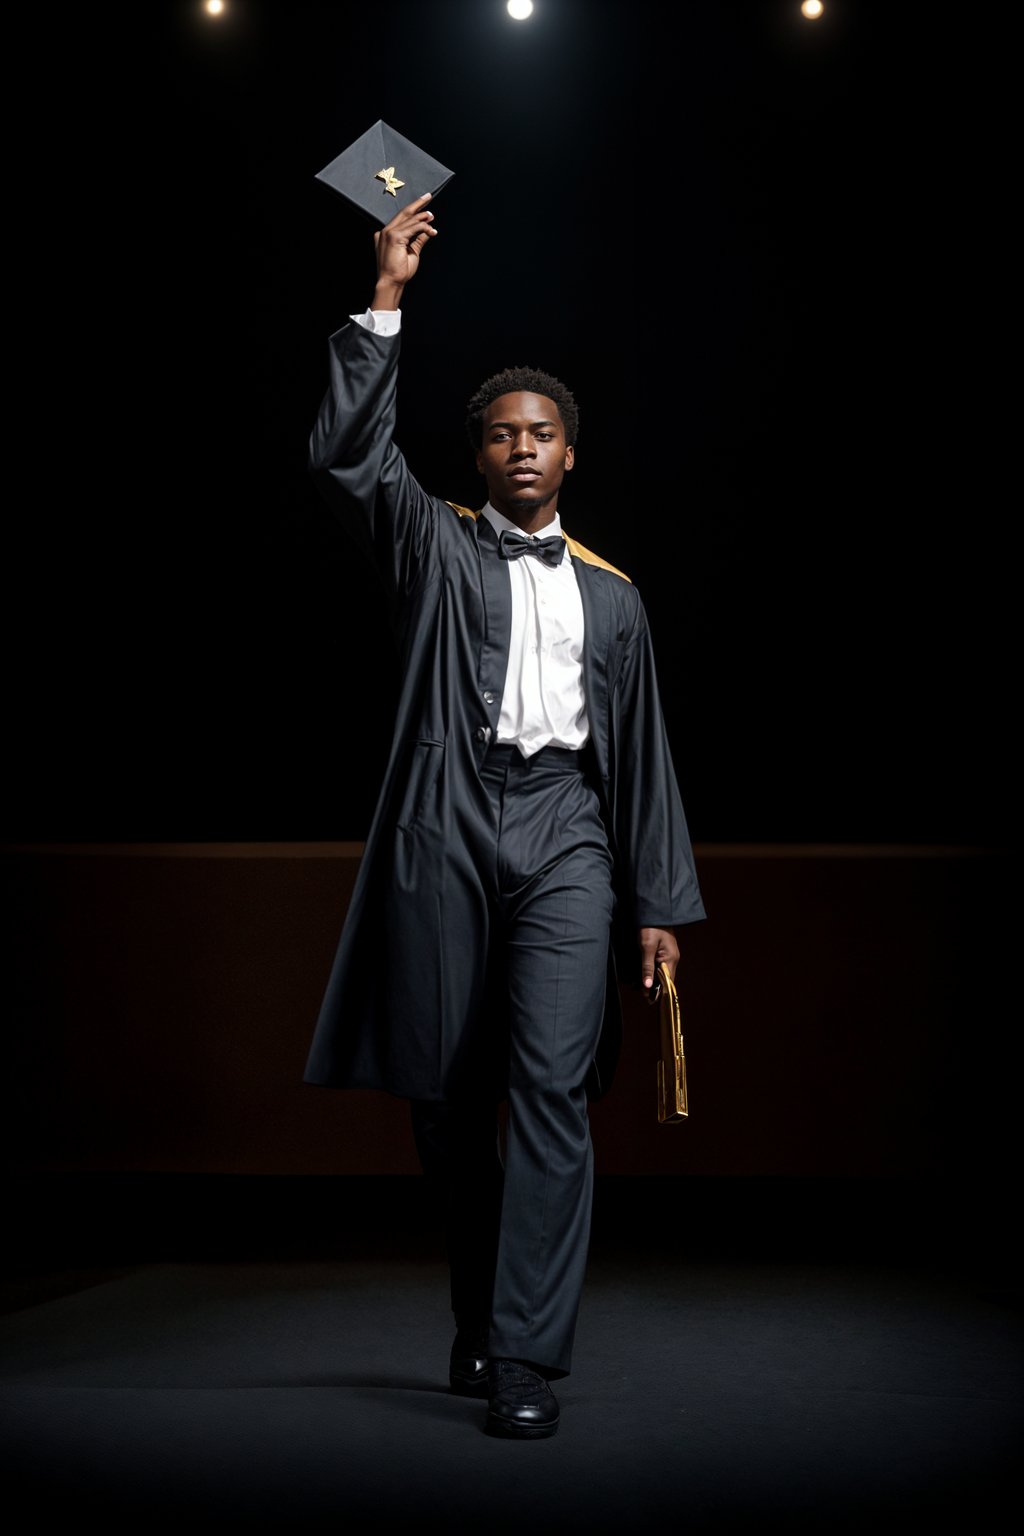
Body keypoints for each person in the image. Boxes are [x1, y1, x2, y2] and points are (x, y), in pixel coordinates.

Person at [304, 191, 706, 1439]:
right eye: (499, 434)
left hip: (566, 834)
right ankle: (478, 1318)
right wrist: (386, 301)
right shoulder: (432, 545)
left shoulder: (617, 600)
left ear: (568, 454)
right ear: (476, 455)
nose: (523, 447)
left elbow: (640, 760)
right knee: (447, 1097)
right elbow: (345, 463)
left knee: (544, 1088)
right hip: (449, 824)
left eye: (541, 434)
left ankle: (526, 1356)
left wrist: (657, 909)